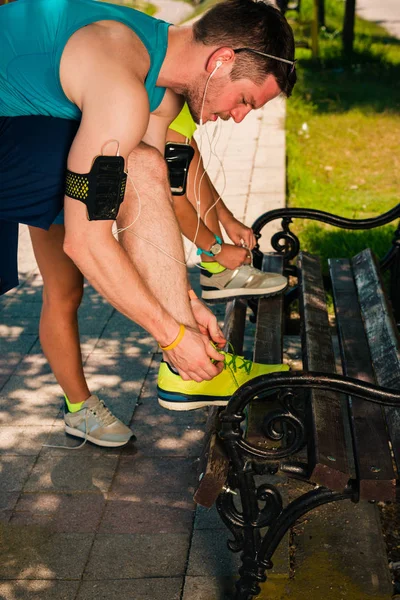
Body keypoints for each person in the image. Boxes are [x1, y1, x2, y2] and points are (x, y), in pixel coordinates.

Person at [0, 0, 296, 445]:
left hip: (18, 127)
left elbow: (143, 208)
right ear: (221, 60)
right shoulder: (122, 88)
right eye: (245, 101)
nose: (238, 117)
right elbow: (87, 241)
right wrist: (172, 334)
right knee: (137, 166)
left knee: (143, 167)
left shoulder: (157, 80)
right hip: (13, 130)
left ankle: (192, 373)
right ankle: (184, 370)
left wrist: (183, 303)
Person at [166, 102, 288, 302]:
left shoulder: (179, 111)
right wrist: (216, 250)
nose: (239, 117)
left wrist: (227, 219)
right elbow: (173, 199)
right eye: (243, 99)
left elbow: (195, 178)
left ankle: (217, 273)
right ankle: (215, 273)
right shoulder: (169, 109)